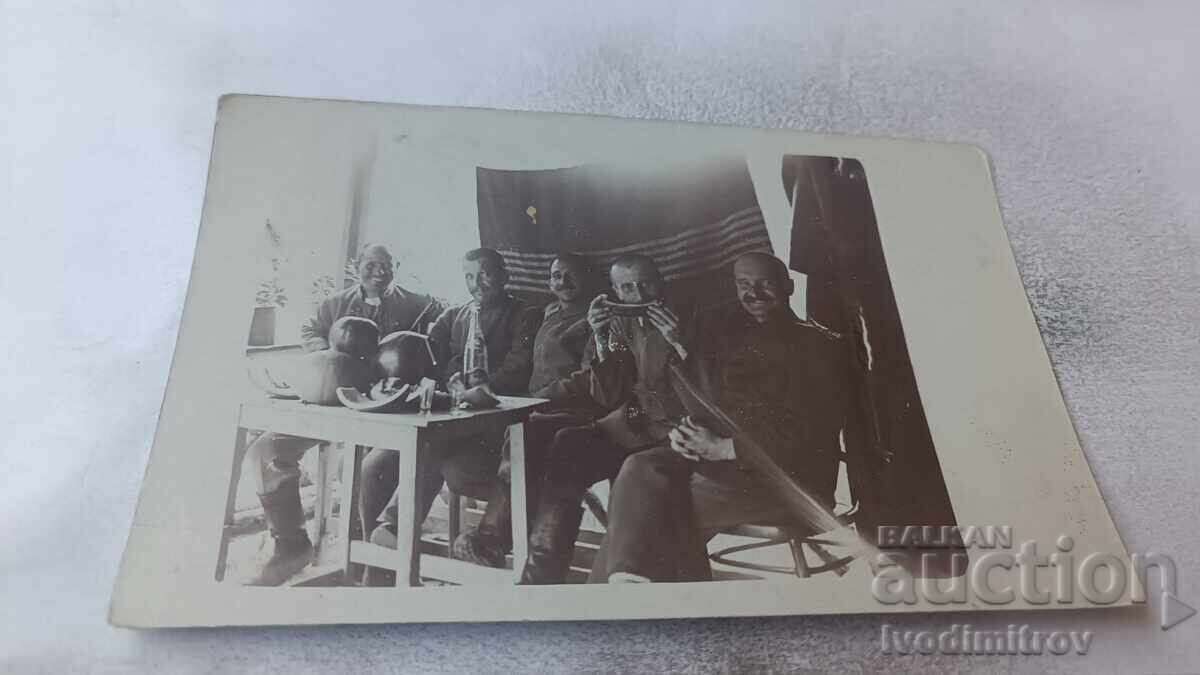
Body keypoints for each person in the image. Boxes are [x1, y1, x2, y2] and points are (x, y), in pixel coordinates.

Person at [589, 252, 849, 583]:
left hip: (786, 478)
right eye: (743, 285)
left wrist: (725, 448)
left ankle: (620, 593)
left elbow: (808, 431)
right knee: (641, 468)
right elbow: (713, 404)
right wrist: (692, 434)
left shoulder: (818, 344)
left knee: (647, 513)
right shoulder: (735, 336)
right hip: (733, 463)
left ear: (789, 286)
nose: (753, 294)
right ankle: (626, 581)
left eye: (764, 284)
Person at [244, 243, 442, 586]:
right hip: (331, 403)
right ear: (356, 266)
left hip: (383, 410)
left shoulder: (417, 305)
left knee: (363, 470)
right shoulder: (333, 304)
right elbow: (309, 331)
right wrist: (330, 362)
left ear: (397, 268)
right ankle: (290, 544)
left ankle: (373, 565)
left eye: (386, 266)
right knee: (266, 451)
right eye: (371, 265)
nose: (378, 273)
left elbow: (437, 336)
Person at [359, 248, 541, 582]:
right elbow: (427, 356)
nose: (477, 284)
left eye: (485, 274)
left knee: (429, 447)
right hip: (453, 417)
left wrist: (485, 387)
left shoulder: (524, 314)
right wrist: (448, 379)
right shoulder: (455, 315)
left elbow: (519, 367)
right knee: (374, 466)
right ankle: (381, 570)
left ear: (504, 275)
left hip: (495, 423)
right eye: (470, 276)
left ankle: (395, 529)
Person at [518, 253, 693, 584]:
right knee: (568, 443)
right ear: (615, 291)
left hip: (678, 426)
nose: (638, 296)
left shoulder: (690, 319)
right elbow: (608, 395)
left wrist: (681, 343)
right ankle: (541, 576)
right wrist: (599, 338)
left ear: (661, 283)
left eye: (645, 285)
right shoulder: (619, 323)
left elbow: (707, 390)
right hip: (635, 420)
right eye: (627, 288)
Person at [451, 253, 601, 567]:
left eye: (571, 275)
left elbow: (591, 377)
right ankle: (512, 536)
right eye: (556, 276)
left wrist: (544, 397)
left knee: (528, 437)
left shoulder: (596, 318)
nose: (563, 282)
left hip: (573, 410)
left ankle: (492, 540)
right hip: (537, 406)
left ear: (587, 278)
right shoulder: (548, 313)